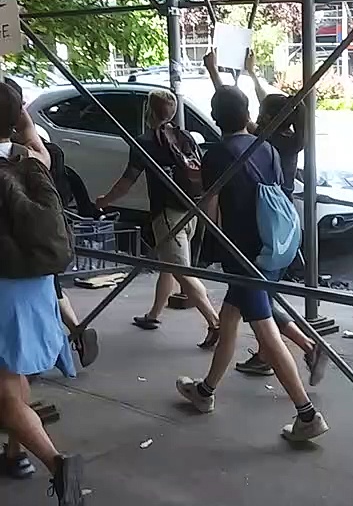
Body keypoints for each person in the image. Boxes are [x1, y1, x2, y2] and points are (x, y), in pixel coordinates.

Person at [176, 85, 329, 443]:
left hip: (245, 257)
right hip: (274, 247)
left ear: (215, 119)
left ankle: (306, 414)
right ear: (247, 114)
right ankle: (205, 391)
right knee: (230, 319)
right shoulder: (269, 150)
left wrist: (207, 246)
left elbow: (210, 208)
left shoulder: (216, 154)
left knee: (265, 331)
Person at [204, 49, 326, 385]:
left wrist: (217, 74)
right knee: (237, 312)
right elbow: (241, 109)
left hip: (251, 245)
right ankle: (207, 388)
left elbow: (232, 114)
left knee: (263, 319)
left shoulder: (261, 141)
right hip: (278, 235)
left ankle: (305, 407)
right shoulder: (282, 142)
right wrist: (251, 74)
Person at [0, 82, 85, 506]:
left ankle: (56, 464)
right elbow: (28, 128)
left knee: (2, 391)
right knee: (12, 373)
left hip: (3, 285)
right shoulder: (33, 158)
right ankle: (14, 454)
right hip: (35, 283)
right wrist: (19, 118)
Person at [96, 90, 220, 347]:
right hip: (190, 211)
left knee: (182, 271)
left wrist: (104, 200)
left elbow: (127, 181)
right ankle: (153, 314)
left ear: (148, 112)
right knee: (169, 263)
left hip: (167, 214)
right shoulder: (184, 136)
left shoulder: (145, 141)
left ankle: (215, 322)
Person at [5, 77, 99, 369]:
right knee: (17, 375)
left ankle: (76, 330)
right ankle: (76, 330)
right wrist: (25, 125)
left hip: (7, 278)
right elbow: (38, 150)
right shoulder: (34, 160)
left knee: (10, 396)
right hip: (37, 268)